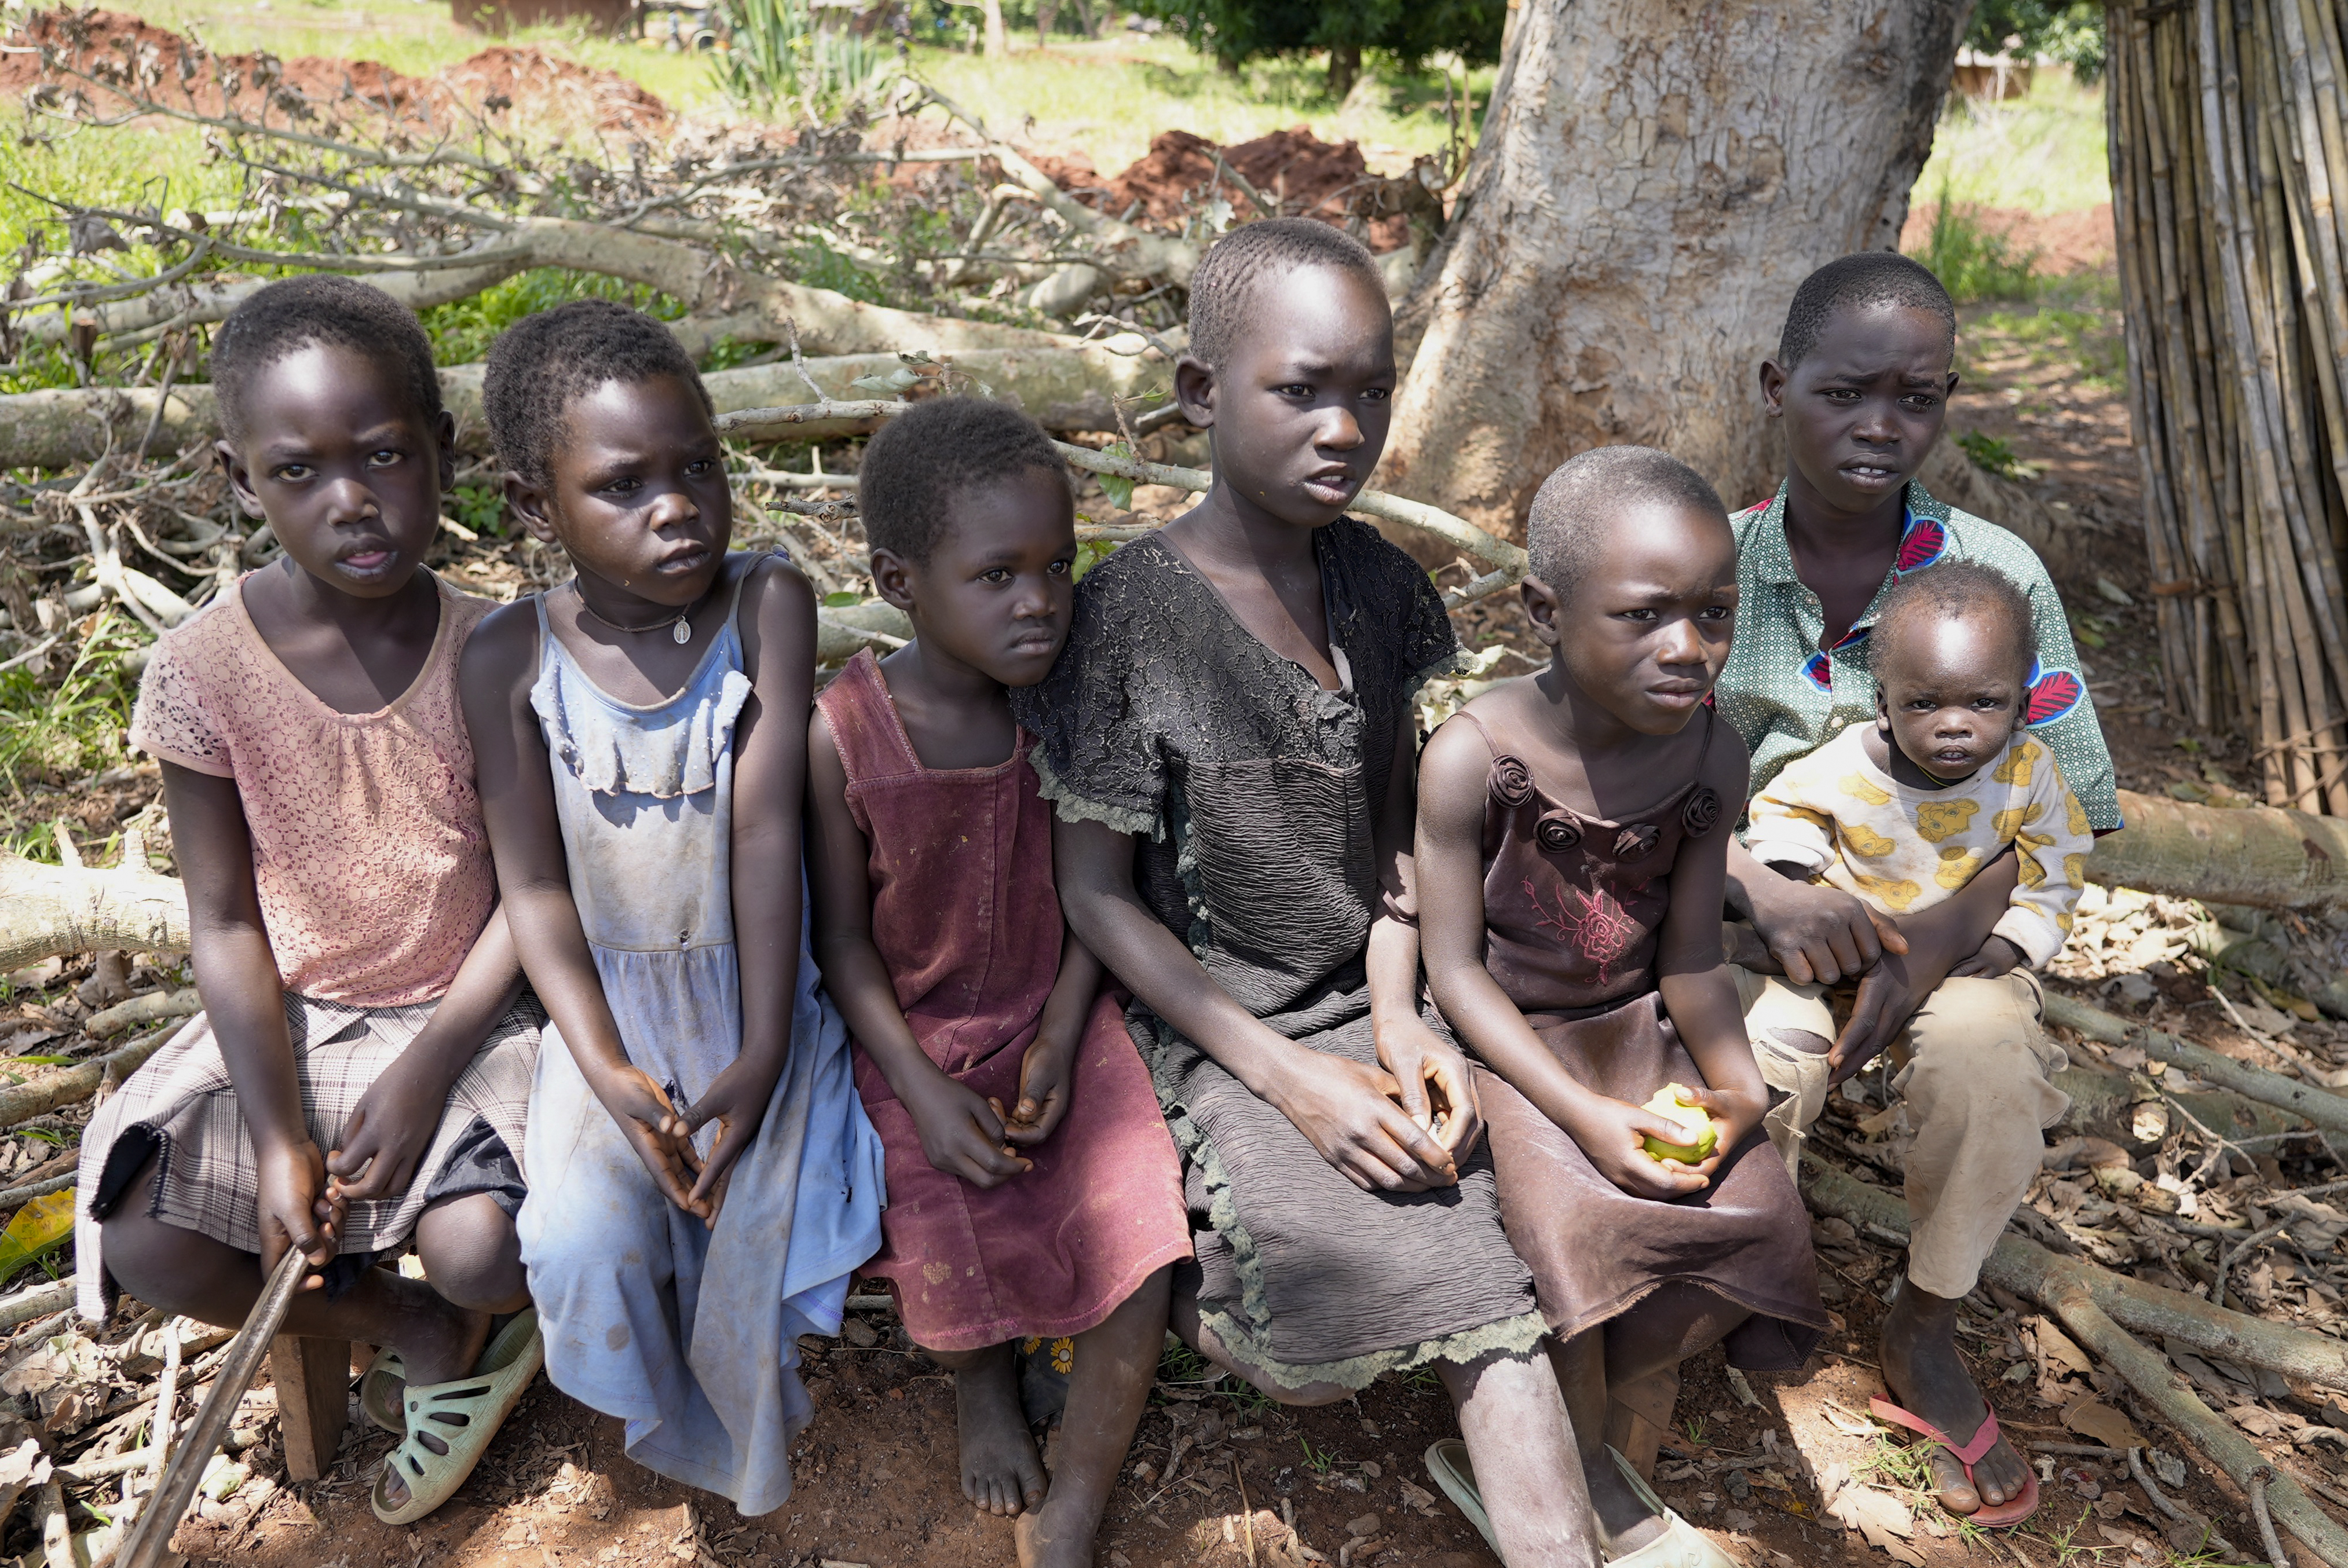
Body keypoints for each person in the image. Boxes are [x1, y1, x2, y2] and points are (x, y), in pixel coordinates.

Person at [1015, 217, 1601, 1567]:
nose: (1343, 427)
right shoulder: (1128, 618)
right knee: (1304, 1341)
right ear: (1198, 391)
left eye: (1371, 390)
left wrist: (1399, 1019)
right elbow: (1096, 898)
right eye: (1298, 390)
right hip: (1206, 1020)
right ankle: (1163, 1306)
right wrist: (1291, 1079)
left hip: (1369, 996)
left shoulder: (1379, 589)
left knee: (1491, 1254)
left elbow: (1394, 847)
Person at [75, 275, 544, 1526]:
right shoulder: (200, 672)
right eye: (298, 472)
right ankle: (411, 1328)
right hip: (299, 1017)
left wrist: (430, 1066)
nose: (352, 500)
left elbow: (532, 894)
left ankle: (469, 1304)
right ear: (239, 482)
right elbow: (227, 923)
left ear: (441, 450)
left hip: (476, 1015)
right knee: (143, 1233)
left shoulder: (498, 648)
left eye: (385, 454)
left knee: (484, 1252)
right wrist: (280, 1137)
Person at [460, 301, 884, 1516]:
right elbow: (534, 886)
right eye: (623, 485)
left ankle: (744, 1441)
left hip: (761, 1003)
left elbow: (764, 833)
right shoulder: (506, 658)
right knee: (579, 1244)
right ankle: (658, 1426)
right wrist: (603, 1069)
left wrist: (763, 1050)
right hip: (607, 1023)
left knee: (760, 1235)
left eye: (697, 466)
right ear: (534, 504)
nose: (678, 506)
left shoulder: (765, 604)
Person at [1716, 252, 2120, 1525]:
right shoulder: (1712, 566)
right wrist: (1759, 890)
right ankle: (1750, 1271)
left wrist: (1932, 946)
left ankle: (1925, 1319)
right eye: (1842, 393)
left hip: (1961, 926)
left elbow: (2064, 804)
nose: (1878, 426)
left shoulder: (1998, 574)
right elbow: (1638, 782)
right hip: (1756, 919)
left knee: (1986, 1069)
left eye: (1916, 397)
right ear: (1776, 386)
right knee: (1746, 1069)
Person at [1415, 447, 1827, 1567]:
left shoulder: (1711, 755)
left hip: (1633, 1035)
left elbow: (1689, 957)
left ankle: (1591, 1404)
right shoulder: (1471, 758)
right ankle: (1581, 1467)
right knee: (1567, 1229)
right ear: (1543, 610)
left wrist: (1737, 1088)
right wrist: (1579, 1118)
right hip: (1509, 1050)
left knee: (1763, 1218)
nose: (1686, 648)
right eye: (1643, 616)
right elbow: (1454, 973)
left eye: (1712, 613)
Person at [805, 397, 1190, 1566]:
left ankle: (1078, 1492)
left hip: (1062, 1012)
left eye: (1056, 567)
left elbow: (1097, 896)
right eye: (995, 575)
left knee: (1141, 1221)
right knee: (936, 1214)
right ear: (899, 581)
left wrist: (1064, 1033)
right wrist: (921, 1088)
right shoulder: (843, 735)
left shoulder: (1067, 709)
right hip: (911, 1041)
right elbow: (842, 943)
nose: (1038, 601)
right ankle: (981, 1384)